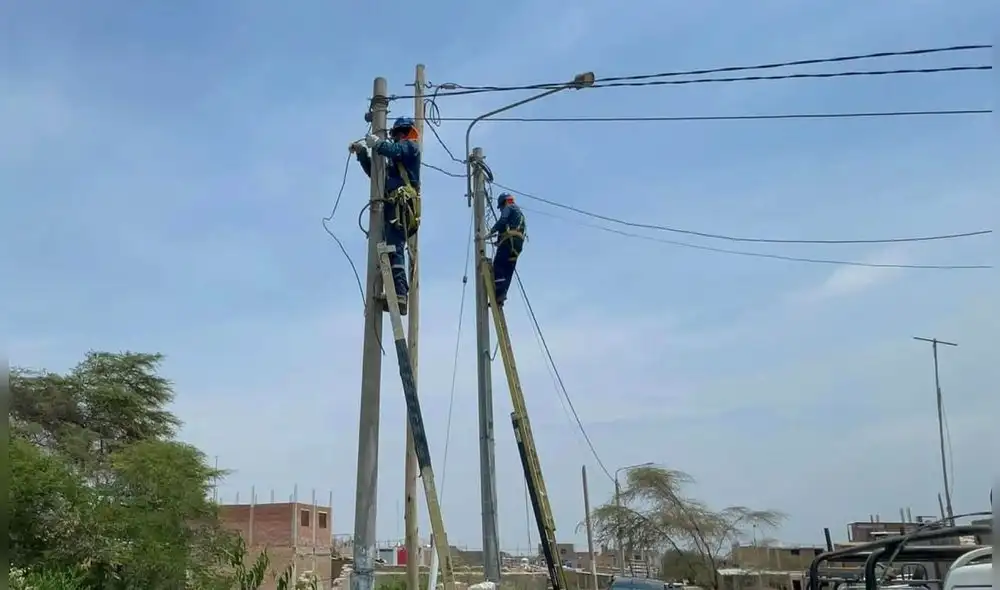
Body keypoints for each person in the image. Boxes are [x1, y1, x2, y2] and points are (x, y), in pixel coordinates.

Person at [349, 117, 421, 314]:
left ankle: (400, 295)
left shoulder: (411, 148)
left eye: (397, 135)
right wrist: (363, 153)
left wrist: (378, 144)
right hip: (392, 206)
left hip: (402, 207)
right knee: (390, 249)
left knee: (395, 248)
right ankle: (395, 292)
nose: (396, 138)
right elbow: (376, 174)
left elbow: (395, 150)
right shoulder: (395, 164)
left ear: (403, 133)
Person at [485, 192, 526, 307]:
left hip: (509, 241)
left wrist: (491, 232)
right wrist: (498, 241)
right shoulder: (518, 212)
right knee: (508, 270)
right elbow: (506, 226)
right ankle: (501, 296)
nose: (501, 209)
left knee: (498, 265)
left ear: (504, 202)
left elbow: (502, 221)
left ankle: (499, 292)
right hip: (517, 245)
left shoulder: (508, 208)